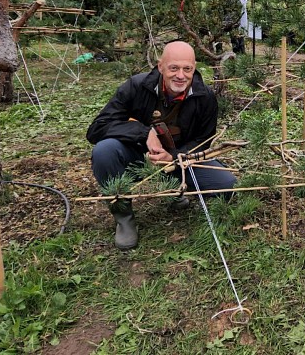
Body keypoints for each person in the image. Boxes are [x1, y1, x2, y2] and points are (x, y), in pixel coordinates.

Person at [87, 41, 237, 250]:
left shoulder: (205, 97)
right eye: (173, 68)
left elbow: (204, 141)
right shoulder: (136, 87)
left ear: (194, 68)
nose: (181, 75)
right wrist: (144, 133)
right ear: (160, 66)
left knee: (227, 185)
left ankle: (176, 189)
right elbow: (97, 129)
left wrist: (175, 157)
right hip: (138, 157)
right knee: (104, 151)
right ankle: (124, 218)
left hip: (182, 161)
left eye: (187, 69)